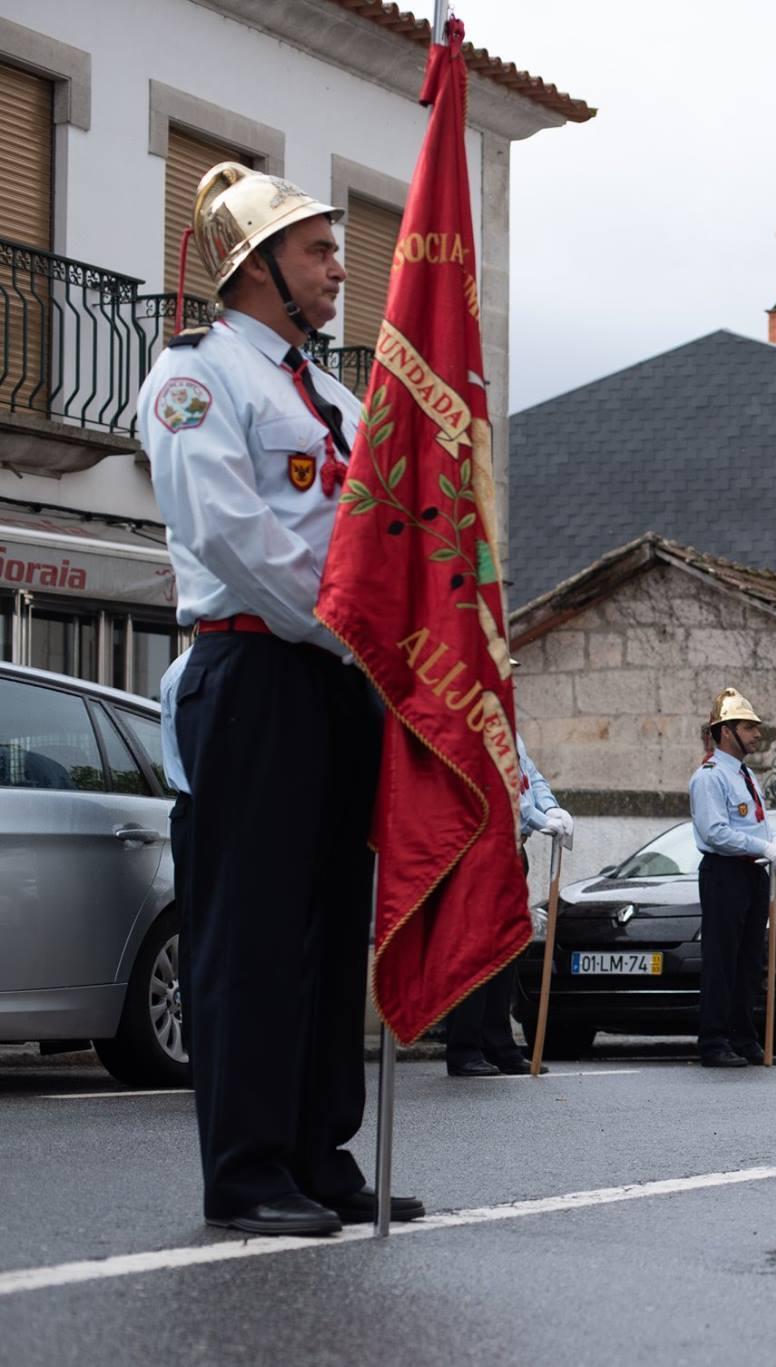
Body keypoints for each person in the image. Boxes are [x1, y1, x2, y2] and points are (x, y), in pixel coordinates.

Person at [140, 162, 421, 1237]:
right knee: (250, 930)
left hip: (336, 678)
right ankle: (247, 1167)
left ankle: (317, 1150)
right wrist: (349, 626)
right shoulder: (196, 377)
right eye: (317, 250)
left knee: (327, 927)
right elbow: (231, 536)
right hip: (255, 667)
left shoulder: (337, 399)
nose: (340, 269)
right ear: (254, 266)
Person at [446, 734, 574, 1076]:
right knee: (476, 953)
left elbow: (530, 775)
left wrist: (550, 807)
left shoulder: (510, 730)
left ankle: (498, 1043)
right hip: (480, 851)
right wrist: (540, 819)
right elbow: (500, 787)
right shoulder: (476, 725)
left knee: (505, 951)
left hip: (511, 851)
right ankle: (464, 1048)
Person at [689, 688, 776, 1068]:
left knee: (749, 960)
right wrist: (763, 846)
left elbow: (757, 823)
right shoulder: (710, 777)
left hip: (752, 872)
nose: (756, 734)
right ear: (725, 731)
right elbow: (715, 832)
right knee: (722, 959)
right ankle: (714, 1040)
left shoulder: (746, 775)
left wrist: (774, 839)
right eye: (748, 727)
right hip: (725, 872)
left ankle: (744, 1037)